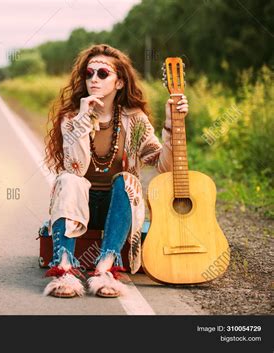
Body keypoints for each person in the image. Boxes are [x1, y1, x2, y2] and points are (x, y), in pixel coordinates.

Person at [42, 44, 189, 298]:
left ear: (119, 83)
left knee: (127, 180)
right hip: (79, 210)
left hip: (118, 210)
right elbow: (73, 166)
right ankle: (65, 270)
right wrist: (83, 120)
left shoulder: (135, 119)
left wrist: (171, 123)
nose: (94, 79)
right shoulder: (71, 118)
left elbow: (163, 166)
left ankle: (104, 269)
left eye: (102, 73)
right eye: (89, 74)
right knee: (68, 179)